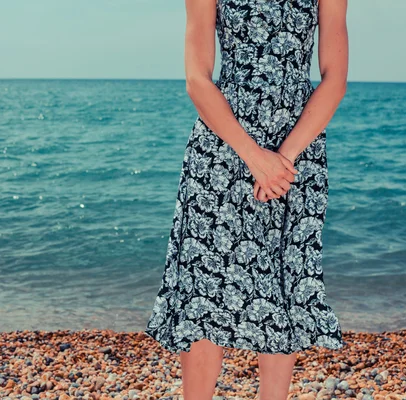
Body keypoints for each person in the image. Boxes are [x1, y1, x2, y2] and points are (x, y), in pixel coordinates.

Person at [145, 0, 349, 399]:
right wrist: (255, 157)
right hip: (223, 147)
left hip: (298, 147)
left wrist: (284, 159)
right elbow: (196, 79)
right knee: (205, 290)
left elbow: (335, 78)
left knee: (285, 284)